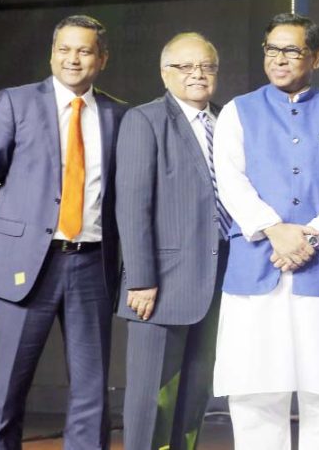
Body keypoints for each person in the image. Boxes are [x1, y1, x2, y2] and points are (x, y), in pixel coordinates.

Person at [0, 15, 127, 450]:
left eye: (84, 50)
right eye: (64, 49)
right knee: (6, 392)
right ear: (52, 53)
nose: (73, 59)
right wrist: (16, 239)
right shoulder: (16, 103)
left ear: (102, 59)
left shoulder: (118, 114)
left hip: (92, 265)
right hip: (28, 268)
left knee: (92, 394)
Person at [211, 13, 319, 449]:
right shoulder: (238, 113)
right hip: (256, 267)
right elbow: (230, 180)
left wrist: (312, 235)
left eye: (292, 50)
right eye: (272, 50)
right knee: (256, 392)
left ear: (315, 56)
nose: (280, 59)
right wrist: (274, 229)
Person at [115, 33, 229, 450]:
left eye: (207, 66)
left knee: (195, 395)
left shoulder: (226, 122)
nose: (197, 74)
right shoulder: (144, 120)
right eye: (185, 66)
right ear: (165, 73)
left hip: (218, 281)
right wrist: (141, 280)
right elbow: (132, 205)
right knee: (151, 401)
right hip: (160, 286)